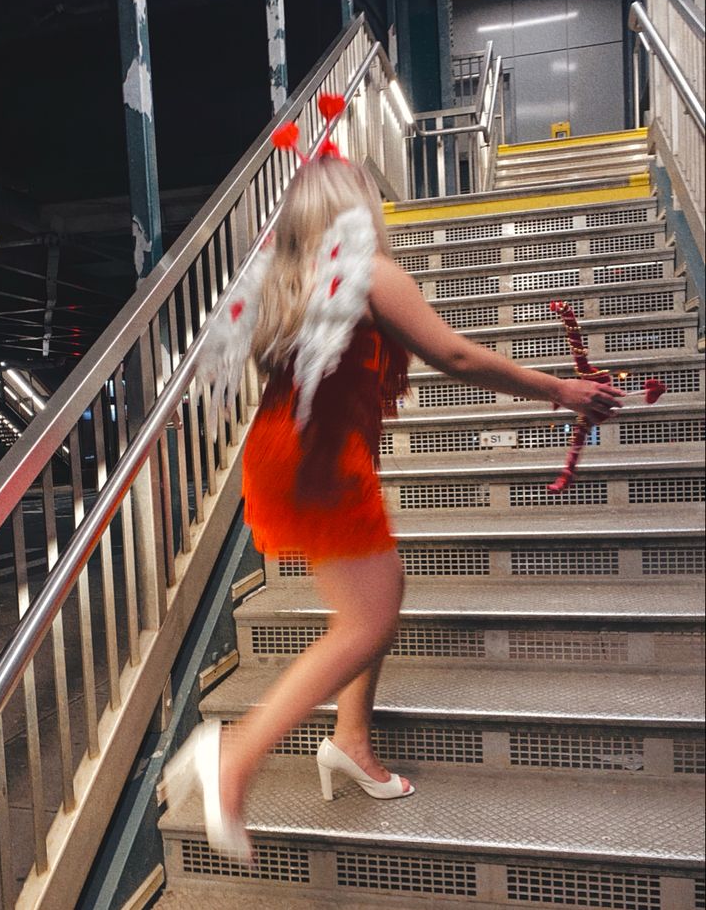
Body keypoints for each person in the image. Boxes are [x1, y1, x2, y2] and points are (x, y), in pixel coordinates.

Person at [164, 152, 625, 862]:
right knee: (369, 620)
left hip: (289, 455)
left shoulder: (293, 284)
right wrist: (561, 390)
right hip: (324, 467)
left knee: (376, 601)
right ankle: (230, 758)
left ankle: (350, 740)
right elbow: (458, 357)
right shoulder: (374, 275)